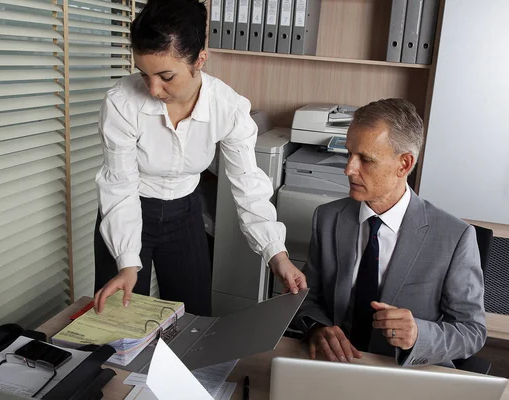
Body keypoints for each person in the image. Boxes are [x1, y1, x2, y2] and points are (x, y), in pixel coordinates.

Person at [93, 0, 306, 316]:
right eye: (144, 73)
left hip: (185, 215)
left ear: (200, 60)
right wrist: (126, 262)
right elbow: (119, 186)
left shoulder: (228, 108)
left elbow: (247, 185)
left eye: (166, 75)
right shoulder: (122, 103)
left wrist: (277, 254)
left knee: (192, 318)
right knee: (120, 323)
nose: (153, 89)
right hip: (127, 209)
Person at [293, 99, 486, 367]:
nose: (348, 169)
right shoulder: (327, 218)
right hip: (336, 365)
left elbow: (471, 332)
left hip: (407, 373)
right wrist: (317, 327)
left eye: (366, 159)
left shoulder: (454, 237)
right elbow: (309, 297)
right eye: (349, 154)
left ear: (404, 164)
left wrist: (419, 334)